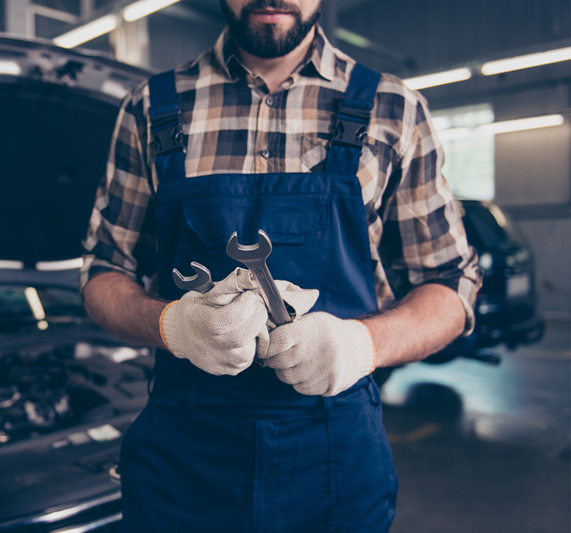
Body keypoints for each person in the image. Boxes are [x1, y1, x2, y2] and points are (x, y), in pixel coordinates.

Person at [80, 0, 481, 530]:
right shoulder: (151, 108)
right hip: (186, 455)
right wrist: (173, 325)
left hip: (335, 453)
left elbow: (450, 284)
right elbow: (102, 271)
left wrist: (363, 345)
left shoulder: (394, 108)